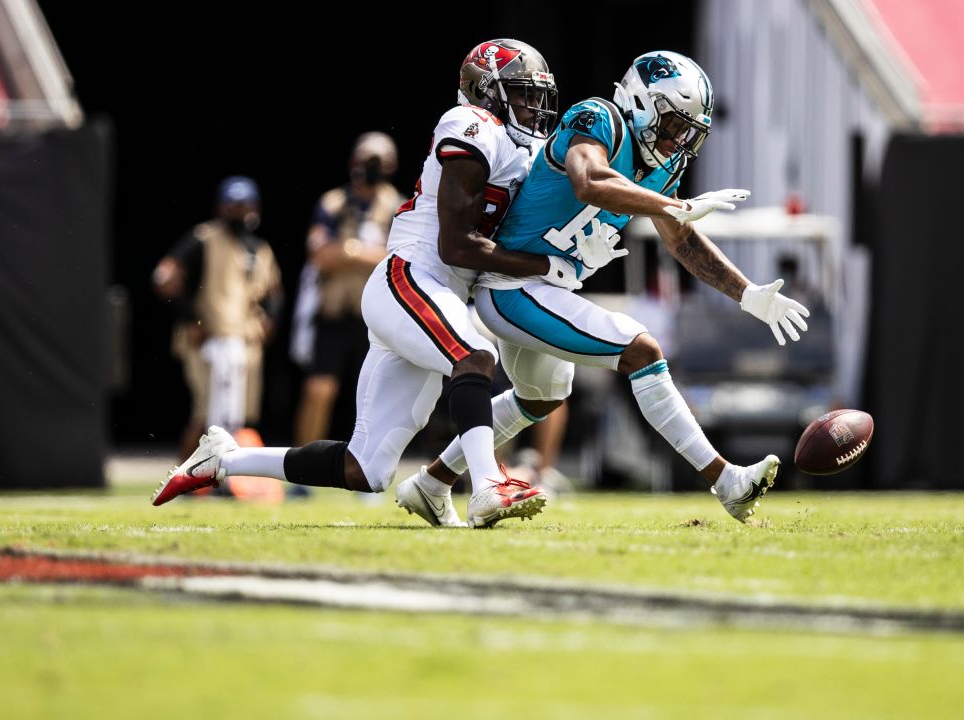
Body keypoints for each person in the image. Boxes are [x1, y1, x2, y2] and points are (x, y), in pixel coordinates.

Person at [153, 40, 618, 528]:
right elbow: (456, 246)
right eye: (522, 93)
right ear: (486, 92)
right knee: (476, 355)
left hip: (441, 293)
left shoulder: (523, 148)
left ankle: (223, 459)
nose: (532, 106)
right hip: (413, 275)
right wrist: (544, 269)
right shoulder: (471, 126)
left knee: (366, 468)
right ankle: (487, 484)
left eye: (535, 95)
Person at [409, 51, 812, 524]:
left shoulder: (661, 166)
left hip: (544, 288)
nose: (675, 139)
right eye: (670, 124)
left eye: (686, 131)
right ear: (641, 102)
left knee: (542, 395)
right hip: (511, 284)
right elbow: (590, 180)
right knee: (641, 348)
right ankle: (726, 481)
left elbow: (680, 239)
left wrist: (748, 294)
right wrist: (674, 206)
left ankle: (432, 481)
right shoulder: (598, 118)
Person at [151, 176, 283, 462]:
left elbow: (273, 291)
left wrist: (270, 320)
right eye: (233, 206)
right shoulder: (204, 239)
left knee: (237, 419)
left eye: (245, 206)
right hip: (210, 341)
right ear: (221, 207)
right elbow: (165, 278)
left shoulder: (259, 248)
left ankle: (226, 482)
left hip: (245, 342)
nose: (239, 212)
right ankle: (181, 477)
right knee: (207, 416)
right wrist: (190, 318)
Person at [292, 133, 406, 447]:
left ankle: (365, 466)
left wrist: (350, 250)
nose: (369, 168)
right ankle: (302, 467)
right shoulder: (333, 203)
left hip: (374, 317)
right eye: (364, 160)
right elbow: (319, 255)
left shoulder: (398, 206)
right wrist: (361, 252)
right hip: (333, 311)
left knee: (373, 395)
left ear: (390, 165)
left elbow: (400, 258)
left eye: (377, 162)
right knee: (319, 390)